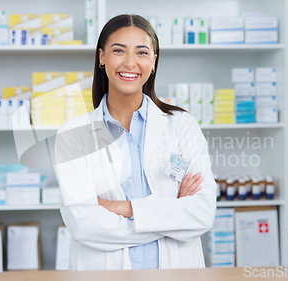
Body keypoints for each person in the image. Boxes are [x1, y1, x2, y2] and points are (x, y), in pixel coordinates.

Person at [54, 14, 216, 270]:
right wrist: (171, 213)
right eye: (118, 50)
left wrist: (123, 208)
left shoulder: (181, 125)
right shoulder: (73, 134)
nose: (130, 62)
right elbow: (85, 225)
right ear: (101, 57)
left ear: (154, 61)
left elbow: (202, 214)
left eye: (142, 52)